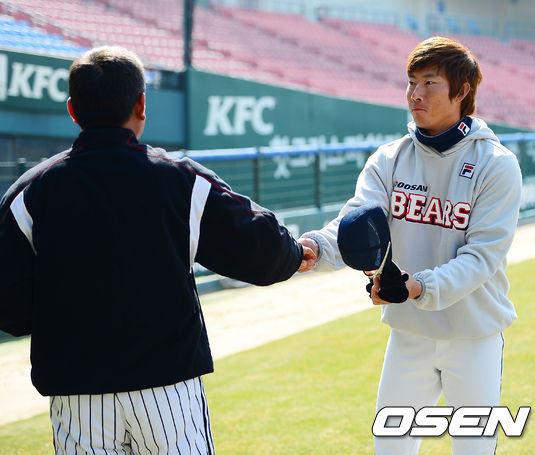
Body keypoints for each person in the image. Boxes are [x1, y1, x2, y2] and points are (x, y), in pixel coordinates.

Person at [0, 46, 315, 455]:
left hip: (76, 396)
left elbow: (10, 308)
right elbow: (261, 247)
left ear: (73, 110)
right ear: (142, 105)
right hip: (168, 390)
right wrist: (295, 253)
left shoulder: (29, 192)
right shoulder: (179, 179)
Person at [298, 36, 522, 455]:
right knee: (390, 446)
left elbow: (482, 257)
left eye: (429, 83)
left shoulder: (497, 164)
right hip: (409, 333)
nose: (415, 94)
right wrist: (313, 247)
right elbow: (358, 221)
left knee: (473, 448)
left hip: (473, 334)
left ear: (462, 91)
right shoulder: (390, 158)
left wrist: (419, 286)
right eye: (411, 82)